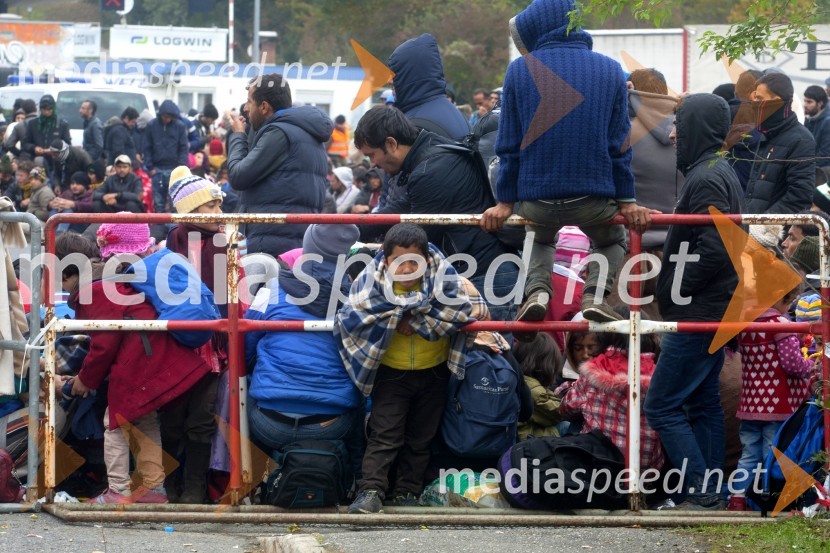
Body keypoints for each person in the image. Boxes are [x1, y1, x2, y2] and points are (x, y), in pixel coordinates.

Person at [481, 0, 656, 324]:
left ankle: (537, 292)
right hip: (592, 200)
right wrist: (628, 201)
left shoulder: (520, 70)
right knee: (612, 240)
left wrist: (505, 202)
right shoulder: (610, 71)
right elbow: (620, 145)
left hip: (536, 201)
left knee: (539, 236)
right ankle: (594, 294)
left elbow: (507, 145)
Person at [335, 223, 483, 514]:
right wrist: (395, 318)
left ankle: (407, 492)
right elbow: (352, 317)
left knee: (420, 437)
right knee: (384, 434)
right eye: (398, 263)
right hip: (391, 373)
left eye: (413, 262)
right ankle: (372, 491)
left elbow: (465, 309)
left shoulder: (444, 279)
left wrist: (414, 320)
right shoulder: (370, 283)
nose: (406, 270)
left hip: (434, 371)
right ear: (385, 261)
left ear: (427, 260)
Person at [644, 93, 745, 510]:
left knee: (660, 404)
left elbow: (719, 247)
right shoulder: (718, 171)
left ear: (696, 130)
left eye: (678, 127)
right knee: (702, 403)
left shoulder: (706, 177)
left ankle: (703, 489)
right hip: (715, 308)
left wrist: (674, 289)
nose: (671, 134)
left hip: (700, 311)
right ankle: (710, 494)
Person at [67, 222, 211, 504]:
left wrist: (86, 379)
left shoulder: (102, 288)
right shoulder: (137, 278)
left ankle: (118, 491)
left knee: (114, 421)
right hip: (157, 355)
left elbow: (103, 345)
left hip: (137, 361)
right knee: (144, 419)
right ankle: (154, 489)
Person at [355, 106, 519, 322]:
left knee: (487, 351)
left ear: (391, 143)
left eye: (371, 155)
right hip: (484, 268)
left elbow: (414, 238)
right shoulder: (431, 154)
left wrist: (366, 256)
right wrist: (355, 229)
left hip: (485, 275)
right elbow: (403, 207)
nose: (373, 164)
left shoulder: (429, 170)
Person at [245, 224, 365, 482]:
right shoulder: (358, 299)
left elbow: (244, 347)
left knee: (242, 390)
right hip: (332, 425)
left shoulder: (270, 290)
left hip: (269, 424)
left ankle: (252, 482)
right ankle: (357, 482)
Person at [160, 170, 227, 503]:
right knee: (171, 418)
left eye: (218, 206)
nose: (218, 215)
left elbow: (233, 294)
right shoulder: (174, 240)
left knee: (202, 419)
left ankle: (195, 489)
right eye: (209, 208)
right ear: (189, 212)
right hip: (177, 342)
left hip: (213, 345)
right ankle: (171, 486)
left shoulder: (227, 241)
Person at [727, 286, 815, 511]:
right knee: (772, 454)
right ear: (782, 299)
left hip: (750, 404)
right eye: (790, 301)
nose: (789, 307)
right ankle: (767, 497)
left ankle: (737, 498)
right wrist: (811, 365)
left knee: (748, 454)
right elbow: (792, 364)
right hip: (778, 404)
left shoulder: (746, 325)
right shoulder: (781, 325)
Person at [227, 74, 332, 259]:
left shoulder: (279, 133)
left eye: (249, 102)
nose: (245, 108)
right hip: (293, 238)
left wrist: (238, 135)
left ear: (264, 106)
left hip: (271, 242)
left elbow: (238, 176)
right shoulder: (307, 132)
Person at [559, 308, 665, 472]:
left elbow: (566, 408)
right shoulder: (660, 374)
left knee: (568, 424)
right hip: (648, 468)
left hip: (600, 464)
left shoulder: (594, 371)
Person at [744, 73, 816, 213]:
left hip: (775, 232)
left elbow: (799, 198)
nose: (754, 104)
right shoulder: (767, 134)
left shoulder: (801, 140)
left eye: (759, 99)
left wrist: (762, 228)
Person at [387, 34, 470, 140]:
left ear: (411, 74)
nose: (389, 80)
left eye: (394, 74)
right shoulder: (450, 111)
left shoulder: (415, 126)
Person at [515, 333, 563, 441]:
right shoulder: (532, 389)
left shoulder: (522, 380)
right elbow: (556, 413)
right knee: (568, 427)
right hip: (529, 440)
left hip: (529, 433)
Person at [144, 100, 189, 214]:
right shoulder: (151, 125)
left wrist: (180, 167)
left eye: (169, 117)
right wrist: (150, 167)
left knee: (175, 201)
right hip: (156, 168)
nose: (166, 119)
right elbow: (147, 147)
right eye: (165, 116)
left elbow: (183, 147)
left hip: (174, 169)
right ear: (161, 114)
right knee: (158, 202)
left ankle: (173, 228)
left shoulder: (180, 126)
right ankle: (159, 228)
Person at [21, 95, 71, 174]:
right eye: (44, 109)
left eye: (49, 109)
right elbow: (25, 143)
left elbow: (68, 144)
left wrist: (54, 150)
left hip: (56, 164)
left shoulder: (62, 124)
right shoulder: (33, 124)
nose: (47, 111)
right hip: (37, 163)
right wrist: (34, 148)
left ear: (53, 108)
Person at [803, 85, 830, 172]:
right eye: (805, 101)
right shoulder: (810, 118)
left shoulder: (827, 122)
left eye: (809, 102)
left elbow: (825, 155)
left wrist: (803, 166)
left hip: (822, 170)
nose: (805, 105)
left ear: (820, 104)